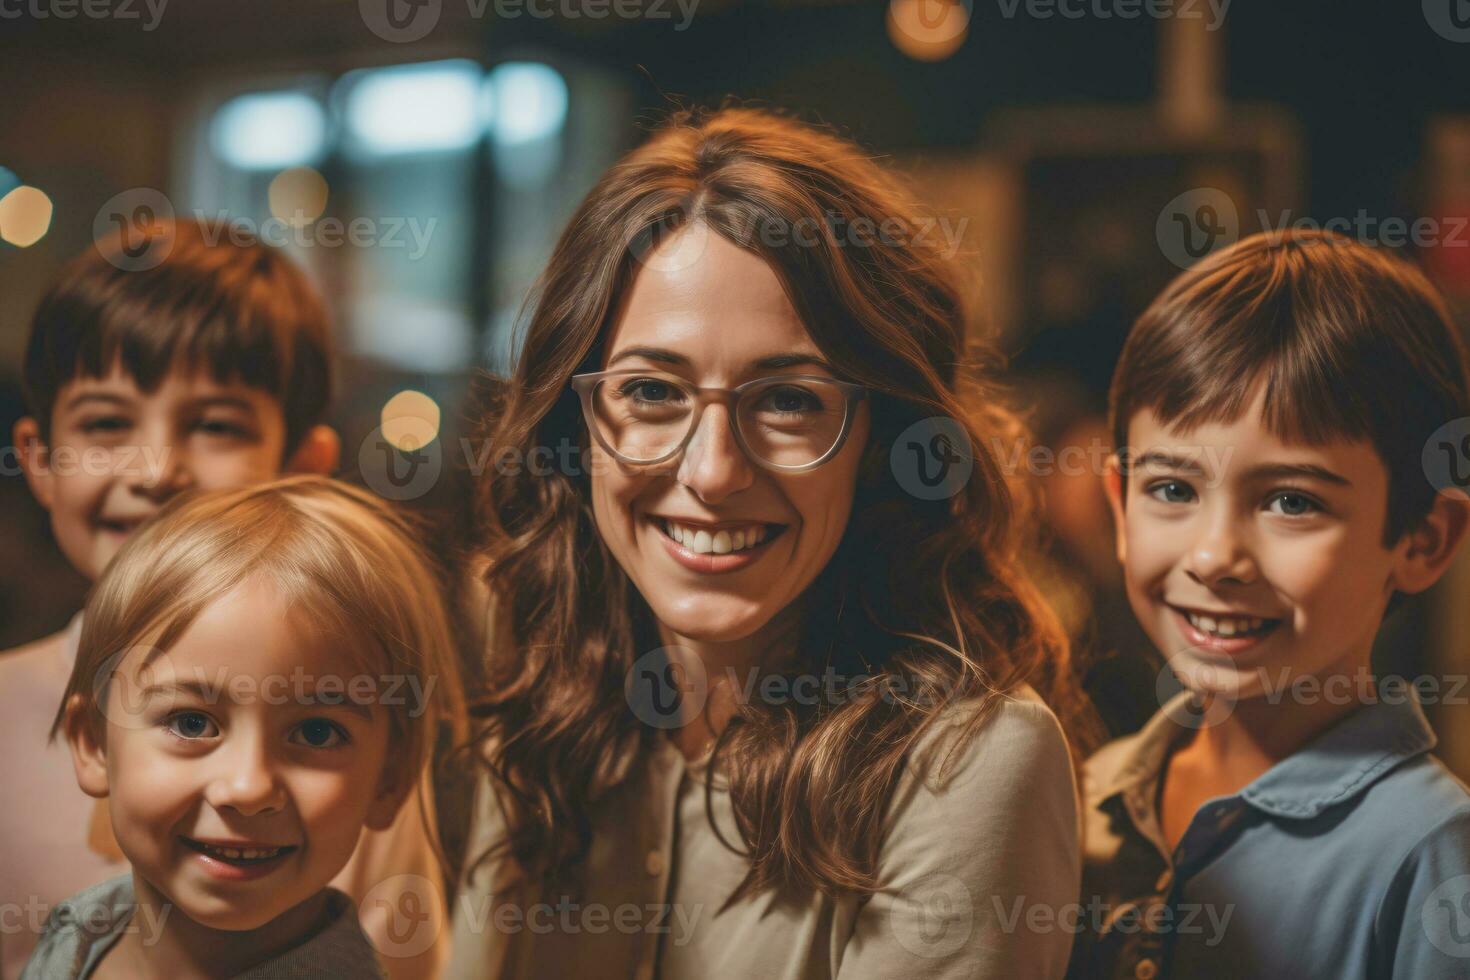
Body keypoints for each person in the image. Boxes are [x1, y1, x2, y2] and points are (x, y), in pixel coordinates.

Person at [448, 107, 1089, 980]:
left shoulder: (970, 766)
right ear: (577, 423)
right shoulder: (547, 692)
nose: (712, 471)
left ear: (880, 441)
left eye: (787, 401)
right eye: (651, 392)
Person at [1, 222, 449, 980]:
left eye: (215, 425)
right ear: (40, 461)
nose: (157, 469)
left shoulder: (351, 738)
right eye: (107, 423)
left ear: (304, 466)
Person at [1073, 229, 1470, 978]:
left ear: (1423, 541)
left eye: (1291, 501)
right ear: (1120, 509)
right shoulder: (1091, 796)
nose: (1215, 556)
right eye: (1172, 489)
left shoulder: (1430, 853)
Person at [21, 476, 466, 978]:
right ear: (93, 743)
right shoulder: (79, 930)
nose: (248, 788)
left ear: (391, 778)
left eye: (317, 733)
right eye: (191, 723)